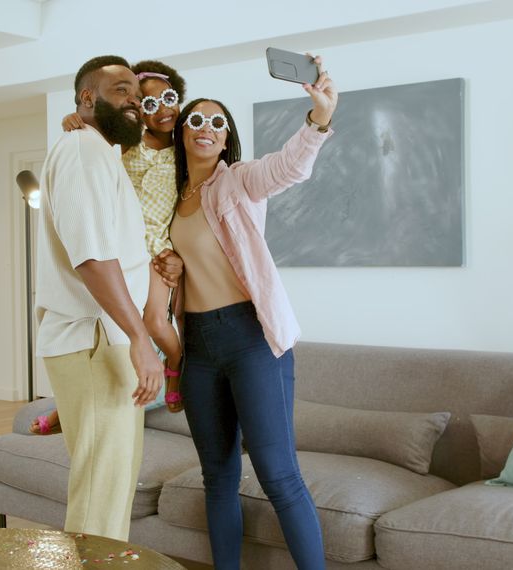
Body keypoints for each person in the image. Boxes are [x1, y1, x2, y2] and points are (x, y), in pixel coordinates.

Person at [169, 56, 338, 569]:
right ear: (180, 133)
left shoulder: (239, 182)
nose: (206, 128)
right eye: (196, 119)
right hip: (198, 347)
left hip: (250, 339)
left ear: (226, 139)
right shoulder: (170, 200)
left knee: (277, 474)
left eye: (217, 122)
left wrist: (318, 120)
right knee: (217, 477)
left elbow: (288, 168)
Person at [33, 54, 179, 541]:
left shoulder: (99, 152)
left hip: (104, 341)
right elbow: (93, 258)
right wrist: (140, 338)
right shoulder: (82, 151)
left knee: (110, 487)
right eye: (122, 91)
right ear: (86, 98)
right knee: (102, 493)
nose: (135, 103)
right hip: (98, 338)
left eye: (139, 97)